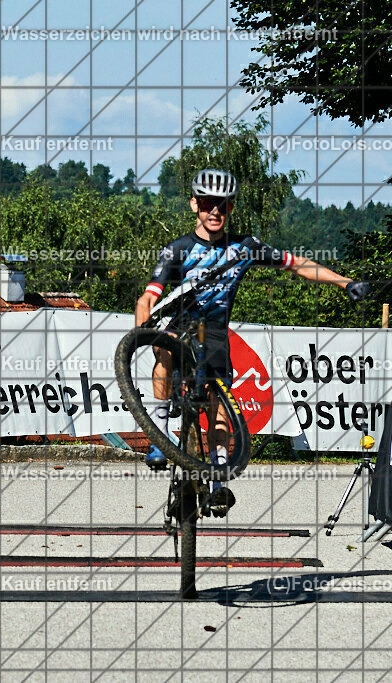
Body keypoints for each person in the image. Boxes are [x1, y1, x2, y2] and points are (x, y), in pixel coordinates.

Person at [134, 169, 369, 516]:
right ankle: (162, 437)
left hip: (213, 333)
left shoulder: (244, 248)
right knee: (164, 348)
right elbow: (147, 298)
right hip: (178, 325)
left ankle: (218, 482)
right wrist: (143, 330)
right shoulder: (178, 250)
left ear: (231, 209)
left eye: (223, 206)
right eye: (208, 204)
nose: (215, 212)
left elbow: (296, 264)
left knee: (216, 404)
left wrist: (344, 282)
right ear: (195, 204)